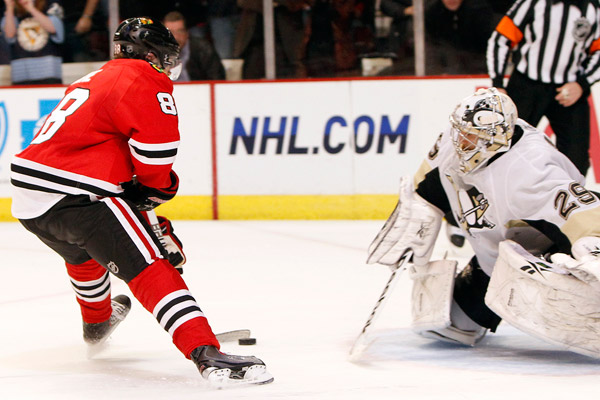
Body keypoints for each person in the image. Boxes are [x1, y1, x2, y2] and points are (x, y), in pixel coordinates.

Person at [9, 17, 273, 385]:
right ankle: (206, 354)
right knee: (148, 265)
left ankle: (97, 323)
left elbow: (106, 161)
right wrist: (158, 191)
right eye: (165, 57)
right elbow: (155, 155)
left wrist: (146, 211)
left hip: (28, 195)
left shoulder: (98, 76)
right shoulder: (144, 78)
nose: (168, 66)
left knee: (83, 253)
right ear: (152, 56)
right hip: (78, 192)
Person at [367, 88, 600, 357]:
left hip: (547, 253)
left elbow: (579, 208)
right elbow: (427, 182)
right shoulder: (452, 144)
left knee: (568, 314)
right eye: (460, 133)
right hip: (494, 256)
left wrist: (593, 244)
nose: (460, 142)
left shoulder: (530, 170)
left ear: (497, 138)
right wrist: (419, 207)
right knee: (449, 325)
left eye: (471, 137)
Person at [487, 0, 600, 177]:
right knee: (503, 149)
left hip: (569, 88)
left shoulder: (593, 8)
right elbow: (500, 39)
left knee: (576, 159)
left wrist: (582, 84)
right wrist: (498, 84)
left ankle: (567, 201)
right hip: (526, 85)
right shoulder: (532, 3)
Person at [1, 0, 64, 85]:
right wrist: (9, 7)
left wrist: (31, 8)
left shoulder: (50, 5)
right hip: (21, 72)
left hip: (48, 70)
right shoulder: (13, 11)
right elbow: (9, 35)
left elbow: (54, 29)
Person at [424, 0, 494, 75]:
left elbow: (488, 43)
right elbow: (433, 45)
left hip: (479, 64)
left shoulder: (479, 11)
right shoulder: (432, 12)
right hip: (448, 64)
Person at [163, 10, 225, 81]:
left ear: (187, 33)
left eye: (180, 31)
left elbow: (217, 79)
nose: (175, 37)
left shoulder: (203, 49)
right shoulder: (154, 53)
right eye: (170, 32)